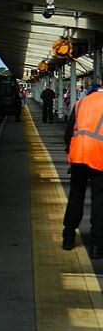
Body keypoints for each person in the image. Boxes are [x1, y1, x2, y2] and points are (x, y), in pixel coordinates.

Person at [62, 82, 103, 259]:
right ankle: (97, 245)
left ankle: (68, 238)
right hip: (99, 155)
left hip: (78, 154)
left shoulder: (81, 102)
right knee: (99, 199)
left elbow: (68, 132)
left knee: (76, 195)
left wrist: (70, 150)